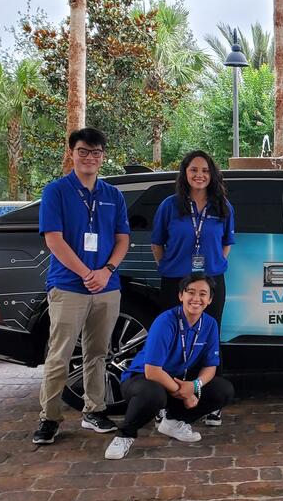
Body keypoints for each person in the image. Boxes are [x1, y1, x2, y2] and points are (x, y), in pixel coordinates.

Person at [33, 128, 131, 445]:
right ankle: (49, 418)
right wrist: (87, 272)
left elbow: (122, 239)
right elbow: (53, 239)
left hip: (107, 286)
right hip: (68, 286)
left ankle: (94, 411)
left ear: (103, 157)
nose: (90, 157)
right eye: (83, 151)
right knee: (59, 356)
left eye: (96, 152)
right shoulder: (56, 192)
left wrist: (106, 271)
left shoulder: (113, 196)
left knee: (98, 353)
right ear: (72, 153)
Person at [104, 274, 235, 460]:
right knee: (153, 394)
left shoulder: (209, 324)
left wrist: (194, 386)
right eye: (191, 292)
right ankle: (124, 435)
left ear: (210, 299)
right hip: (143, 380)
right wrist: (185, 392)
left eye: (203, 294)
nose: (196, 299)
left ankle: (173, 421)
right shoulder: (166, 321)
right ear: (181, 295)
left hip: (176, 381)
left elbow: (210, 367)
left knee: (223, 390)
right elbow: (152, 371)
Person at [151, 150, 235, 427]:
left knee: (210, 335)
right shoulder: (169, 206)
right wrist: (168, 267)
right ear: (185, 173)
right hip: (176, 280)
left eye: (205, 171)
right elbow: (157, 242)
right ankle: (167, 401)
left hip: (210, 281)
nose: (200, 175)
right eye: (194, 170)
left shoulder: (223, 206)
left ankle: (209, 402)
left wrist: (218, 264)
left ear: (212, 175)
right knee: (171, 338)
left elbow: (227, 242)